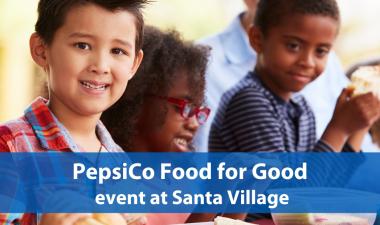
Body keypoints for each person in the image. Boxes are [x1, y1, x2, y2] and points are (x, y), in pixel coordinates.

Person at [0, 0, 147, 224]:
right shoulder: (10, 147)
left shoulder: (121, 163)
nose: (101, 65)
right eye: (82, 45)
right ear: (41, 50)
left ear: (134, 65)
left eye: (117, 51)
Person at [194, 0, 380, 153]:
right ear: (257, 39)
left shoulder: (300, 106)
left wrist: (360, 125)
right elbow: (289, 194)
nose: (307, 61)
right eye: (293, 46)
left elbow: (327, 184)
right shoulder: (250, 102)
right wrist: (339, 128)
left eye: (321, 51)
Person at [102, 26, 210, 224]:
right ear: (137, 99)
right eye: (184, 107)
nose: (194, 123)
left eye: (198, 111)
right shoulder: (112, 182)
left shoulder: (185, 183)